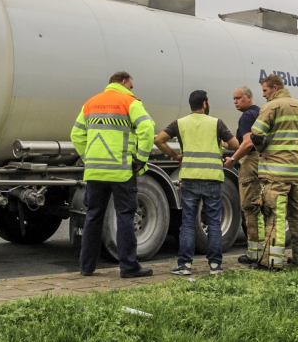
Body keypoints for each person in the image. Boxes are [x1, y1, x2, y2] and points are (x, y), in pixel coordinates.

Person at [70, 71, 156, 278]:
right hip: (121, 170)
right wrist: (141, 158)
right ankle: (128, 267)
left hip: (95, 171)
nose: (132, 90)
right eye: (131, 86)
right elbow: (147, 128)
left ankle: (87, 267)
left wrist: (89, 157)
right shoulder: (129, 102)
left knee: (93, 216)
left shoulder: (90, 104)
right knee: (125, 216)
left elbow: (76, 134)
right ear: (124, 82)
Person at [155, 90, 239, 275]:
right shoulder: (217, 123)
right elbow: (235, 145)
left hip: (190, 178)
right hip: (212, 178)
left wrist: (176, 156)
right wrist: (221, 143)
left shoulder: (180, 123)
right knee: (214, 222)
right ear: (205, 104)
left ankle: (185, 265)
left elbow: (159, 140)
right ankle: (215, 266)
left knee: (187, 223)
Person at [250, 74, 298, 269]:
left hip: (275, 174)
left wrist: (263, 150)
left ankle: (272, 262)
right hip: (297, 174)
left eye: (265, 90)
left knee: (275, 218)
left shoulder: (271, 107)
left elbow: (256, 135)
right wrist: (296, 150)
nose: (263, 95)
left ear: (274, 88)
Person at [223, 86, 265, 265]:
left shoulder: (247, 116)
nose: (235, 102)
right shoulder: (260, 113)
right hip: (262, 161)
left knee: (250, 206)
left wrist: (233, 159)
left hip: (251, 161)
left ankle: (255, 253)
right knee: (261, 207)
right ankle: (262, 250)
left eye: (239, 98)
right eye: (234, 98)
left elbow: (247, 143)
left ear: (249, 97)